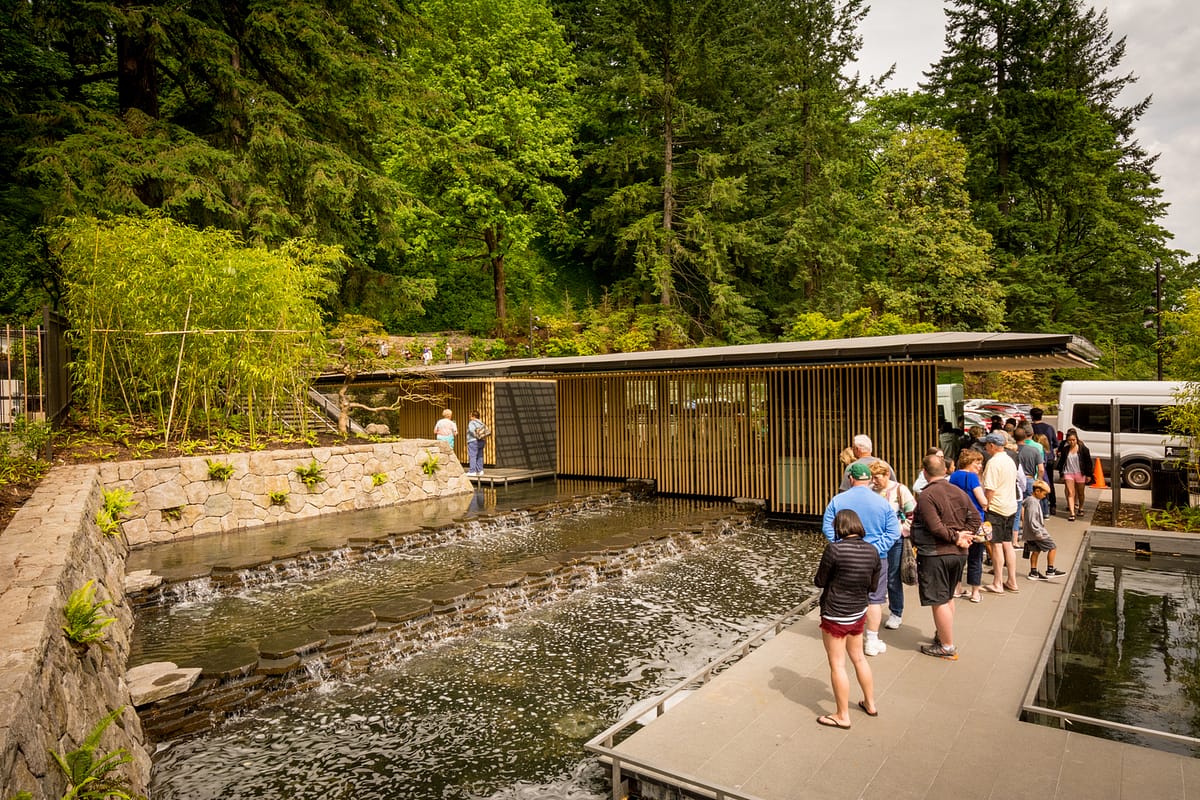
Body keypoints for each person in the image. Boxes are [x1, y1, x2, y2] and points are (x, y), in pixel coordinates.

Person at [822, 462, 901, 657]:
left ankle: (844, 632)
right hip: (876, 557)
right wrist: (875, 549)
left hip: (844, 556)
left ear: (850, 479)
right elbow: (893, 532)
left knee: (845, 591)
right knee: (875, 599)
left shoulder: (838, 500)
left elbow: (827, 527)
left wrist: (840, 545)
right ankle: (871, 641)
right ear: (869, 480)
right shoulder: (881, 502)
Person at [813, 508, 881, 729]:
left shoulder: (834, 550)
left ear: (839, 527)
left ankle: (842, 715)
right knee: (859, 658)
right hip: (858, 611)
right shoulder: (872, 551)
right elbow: (872, 586)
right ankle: (870, 703)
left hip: (835, 613)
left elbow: (820, 581)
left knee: (837, 664)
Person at [911, 453, 979, 660]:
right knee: (948, 596)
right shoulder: (958, 491)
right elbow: (975, 517)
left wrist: (957, 536)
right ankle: (943, 634)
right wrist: (966, 535)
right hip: (958, 554)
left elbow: (935, 527)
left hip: (935, 553)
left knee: (938, 599)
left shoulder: (926, 496)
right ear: (946, 471)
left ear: (924, 472)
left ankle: (947, 646)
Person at [869, 460, 915, 632]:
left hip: (895, 540)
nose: (874, 481)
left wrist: (902, 530)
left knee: (893, 577)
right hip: (874, 539)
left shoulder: (900, 490)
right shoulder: (870, 491)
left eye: (877, 477)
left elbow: (912, 513)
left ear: (887, 474)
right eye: (872, 477)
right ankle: (874, 607)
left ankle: (896, 612)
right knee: (873, 575)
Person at [981, 431, 1020, 594]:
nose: (985, 447)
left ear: (991, 445)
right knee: (1008, 544)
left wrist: (985, 504)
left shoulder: (993, 463)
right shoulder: (1010, 459)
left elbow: (989, 488)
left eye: (986, 444)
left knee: (996, 545)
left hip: (996, 507)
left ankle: (997, 582)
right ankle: (1012, 580)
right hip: (1011, 506)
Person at [948, 449, 988, 603]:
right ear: (969, 463)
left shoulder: (954, 476)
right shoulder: (972, 477)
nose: (979, 466)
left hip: (957, 520)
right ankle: (975, 592)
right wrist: (986, 504)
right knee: (975, 557)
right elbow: (982, 500)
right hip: (975, 520)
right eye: (977, 463)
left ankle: (957, 588)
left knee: (960, 554)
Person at [1022, 481, 1064, 580]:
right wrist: (1038, 532)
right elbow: (1032, 520)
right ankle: (1050, 570)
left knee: (1036, 550)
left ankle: (1033, 572)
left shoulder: (1030, 501)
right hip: (1037, 532)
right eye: (1044, 494)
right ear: (1037, 491)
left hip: (1030, 533)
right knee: (1052, 547)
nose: (1044, 496)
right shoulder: (1033, 503)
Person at [1055, 428, 1094, 521]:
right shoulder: (1065, 450)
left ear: (1077, 439)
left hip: (1080, 473)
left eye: (1073, 440)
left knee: (1080, 493)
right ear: (1067, 440)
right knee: (1071, 493)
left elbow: (1088, 462)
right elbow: (1062, 462)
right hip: (1068, 473)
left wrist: (1089, 474)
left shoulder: (1083, 449)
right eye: (1069, 440)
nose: (1072, 442)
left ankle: (1080, 507)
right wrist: (1061, 473)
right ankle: (1072, 513)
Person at [1030, 407, 1059, 515]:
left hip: (1034, 458)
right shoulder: (1049, 428)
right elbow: (1056, 443)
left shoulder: (1031, 428)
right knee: (1049, 481)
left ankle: (1038, 503)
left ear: (1032, 416)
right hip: (1048, 457)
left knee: (1036, 481)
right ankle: (1052, 504)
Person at [466, 410, 486, 477]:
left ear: (473, 416)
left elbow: (472, 430)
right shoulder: (481, 423)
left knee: (473, 455)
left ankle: (472, 471)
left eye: (470, 415)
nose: (469, 416)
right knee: (480, 455)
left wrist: (476, 435)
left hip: (473, 440)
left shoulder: (472, 422)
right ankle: (480, 470)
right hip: (482, 440)